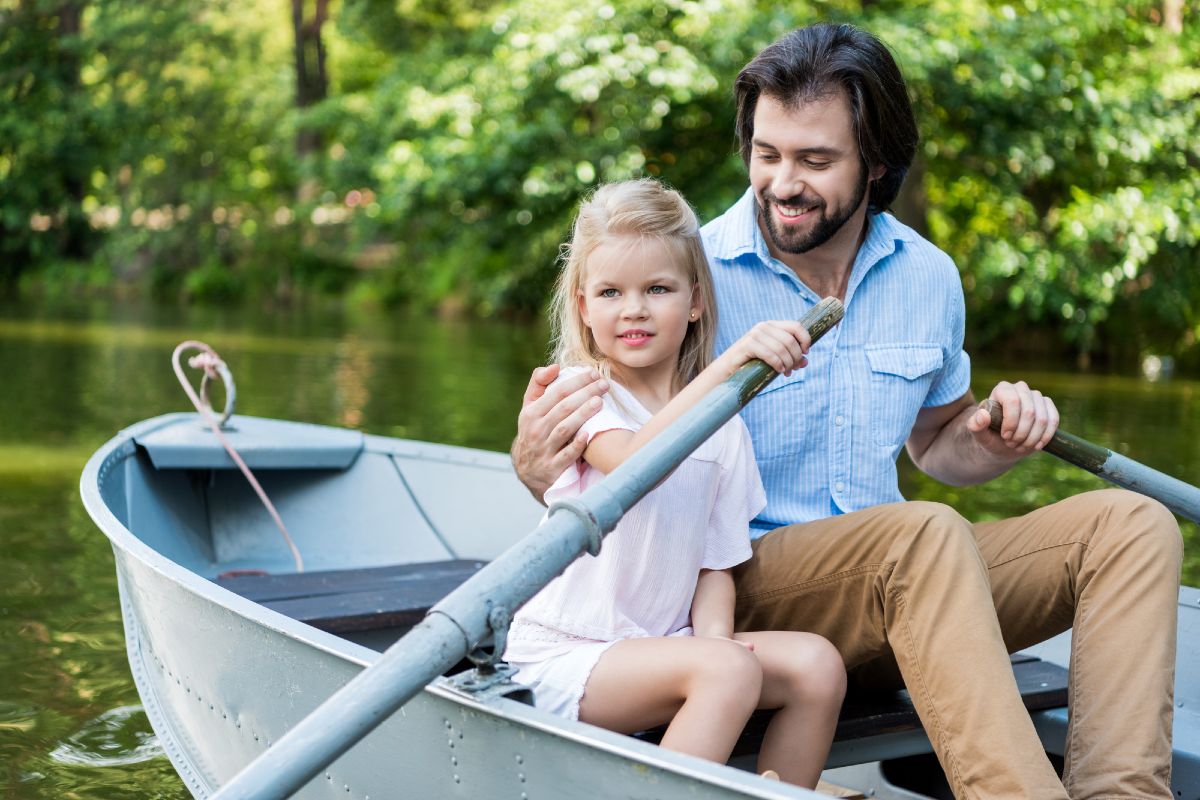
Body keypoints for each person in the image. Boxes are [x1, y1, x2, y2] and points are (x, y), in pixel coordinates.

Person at [511, 23, 1183, 800]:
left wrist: (991, 439)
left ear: (878, 165)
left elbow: (937, 441)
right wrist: (532, 463)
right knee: (922, 534)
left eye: (815, 160)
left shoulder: (927, 278)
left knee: (1131, 528)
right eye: (768, 155)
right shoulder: (682, 278)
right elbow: (596, 453)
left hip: (912, 583)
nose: (783, 182)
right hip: (746, 585)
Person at [503, 178, 846, 789]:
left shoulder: (724, 426)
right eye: (610, 292)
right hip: (568, 652)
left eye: (657, 289)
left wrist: (717, 644)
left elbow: (716, 564)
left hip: (666, 645)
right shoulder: (581, 396)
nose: (633, 308)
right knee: (724, 672)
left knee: (817, 666)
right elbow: (637, 461)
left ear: (694, 301)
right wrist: (733, 364)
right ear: (583, 307)